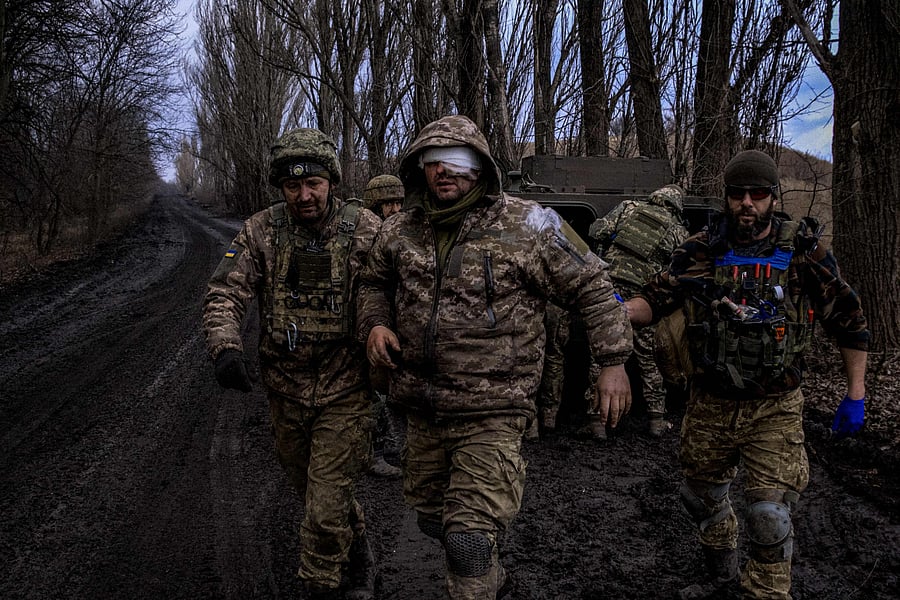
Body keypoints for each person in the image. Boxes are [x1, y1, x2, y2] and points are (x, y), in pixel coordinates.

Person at [356, 114, 633, 599]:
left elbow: (593, 284)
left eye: (457, 161)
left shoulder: (529, 226)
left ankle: (479, 567)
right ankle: (489, 568)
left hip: (495, 409)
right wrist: (375, 323)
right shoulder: (399, 230)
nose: (444, 170)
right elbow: (374, 283)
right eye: (433, 160)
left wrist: (613, 361)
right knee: (431, 519)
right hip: (422, 407)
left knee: (465, 542)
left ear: (481, 168)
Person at [625, 149, 869, 600]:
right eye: (738, 194)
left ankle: (765, 591)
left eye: (759, 194)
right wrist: (615, 310)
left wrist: (855, 394)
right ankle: (721, 575)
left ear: (774, 197)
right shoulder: (699, 251)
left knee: (769, 515)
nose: (748, 203)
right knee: (699, 497)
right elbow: (652, 302)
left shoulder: (803, 252)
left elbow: (849, 322)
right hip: (710, 403)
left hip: (774, 406)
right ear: (727, 197)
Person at [201, 128, 383, 600]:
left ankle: (322, 584)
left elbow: (399, 290)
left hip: (347, 389)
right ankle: (360, 551)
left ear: (332, 182)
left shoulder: (364, 228)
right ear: (281, 188)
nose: (304, 195)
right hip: (286, 389)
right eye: (292, 186)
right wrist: (225, 346)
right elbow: (226, 289)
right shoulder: (262, 230)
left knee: (323, 509)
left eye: (314, 185)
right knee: (315, 492)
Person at [588, 184, 689, 437]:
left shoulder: (628, 208)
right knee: (649, 359)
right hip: (645, 296)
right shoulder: (678, 230)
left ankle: (597, 422)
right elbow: (679, 268)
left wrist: (615, 239)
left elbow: (597, 230)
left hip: (610, 288)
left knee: (602, 354)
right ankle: (656, 420)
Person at [361, 174, 406, 478]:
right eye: (388, 203)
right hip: (364, 326)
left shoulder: (401, 234)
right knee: (369, 394)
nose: (394, 208)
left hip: (392, 323)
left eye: (398, 202)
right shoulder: (364, 234)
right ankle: (374, 452)